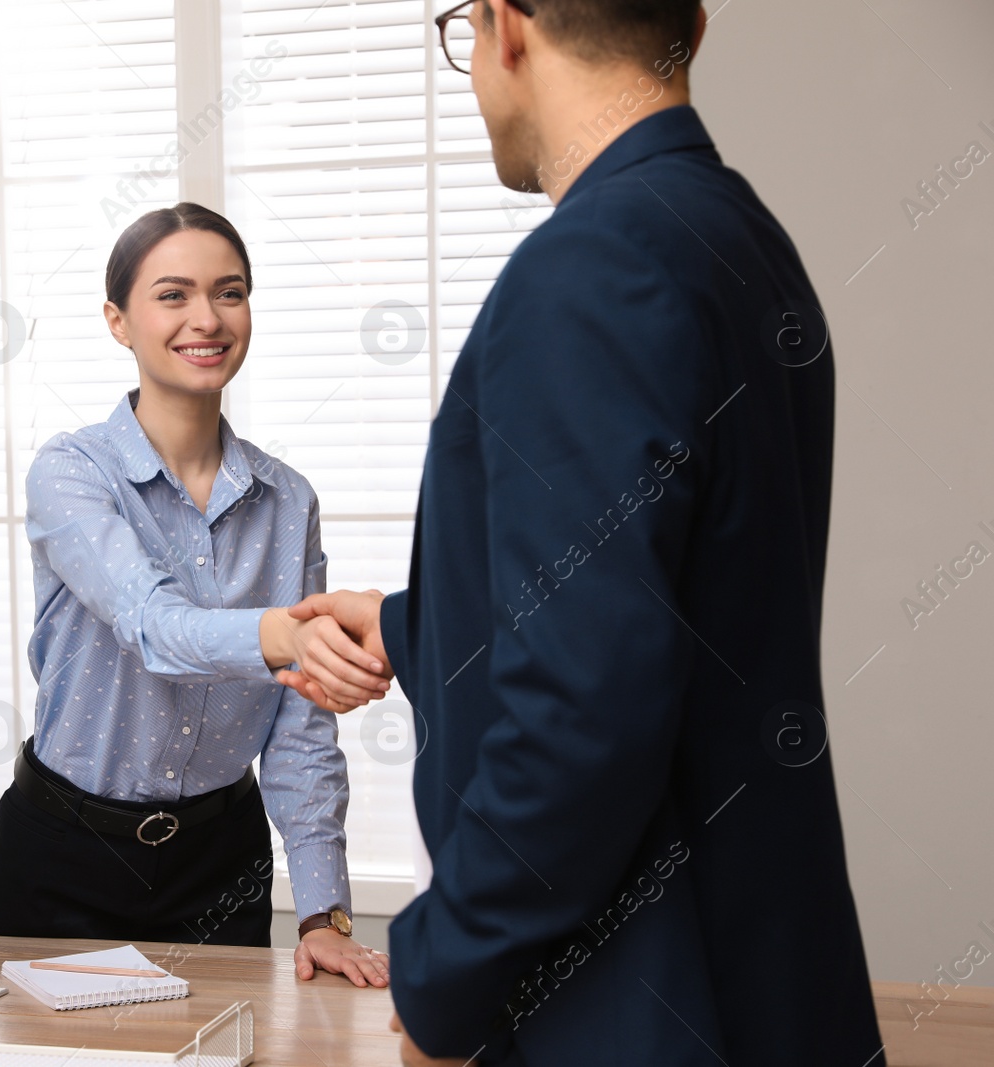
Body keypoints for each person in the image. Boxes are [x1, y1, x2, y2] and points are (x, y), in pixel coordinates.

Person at [279, 1, 885, 1063]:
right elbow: (680, 604)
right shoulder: (740, 239)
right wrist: (408, 625)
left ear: (505, 28)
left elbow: (581, 706)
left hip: (639, 1005)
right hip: (763, 986)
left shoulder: (593, 267)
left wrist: (442, 979)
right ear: (691, 27)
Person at [0, 203, 391, 989]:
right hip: (63, 857)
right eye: (173, 294)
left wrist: (321, 913)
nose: (206, 317)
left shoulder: (289, 501)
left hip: (219, 864)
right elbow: (154, 625)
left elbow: (300, 732)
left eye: (229, 292)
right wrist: (284, 636)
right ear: (117, 320)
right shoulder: (72, 472)